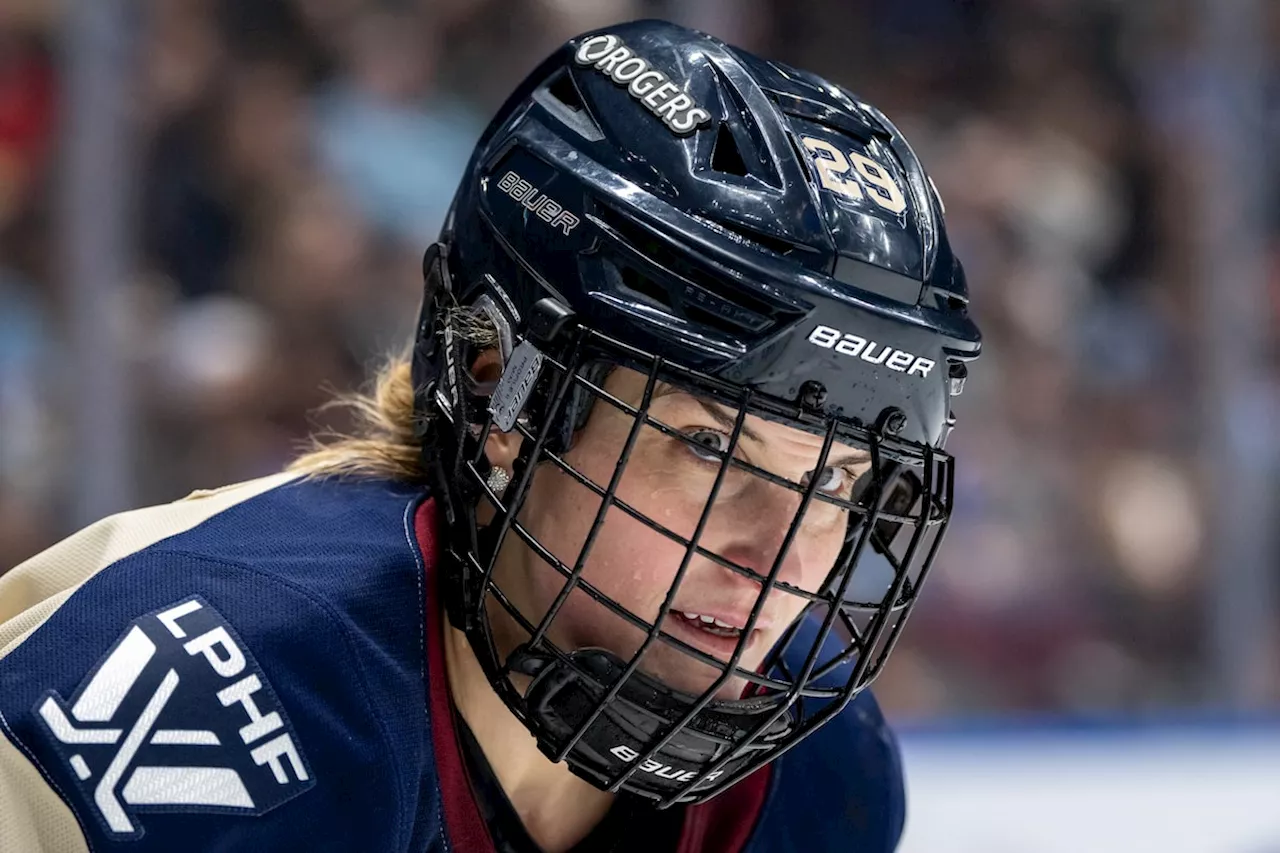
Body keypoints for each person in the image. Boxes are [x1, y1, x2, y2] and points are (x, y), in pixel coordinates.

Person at [0, 19, 981, 853]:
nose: (780, 558)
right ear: (500, 394)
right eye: (713, 449)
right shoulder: (202, 703)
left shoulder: (812, 772)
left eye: (839, 479)